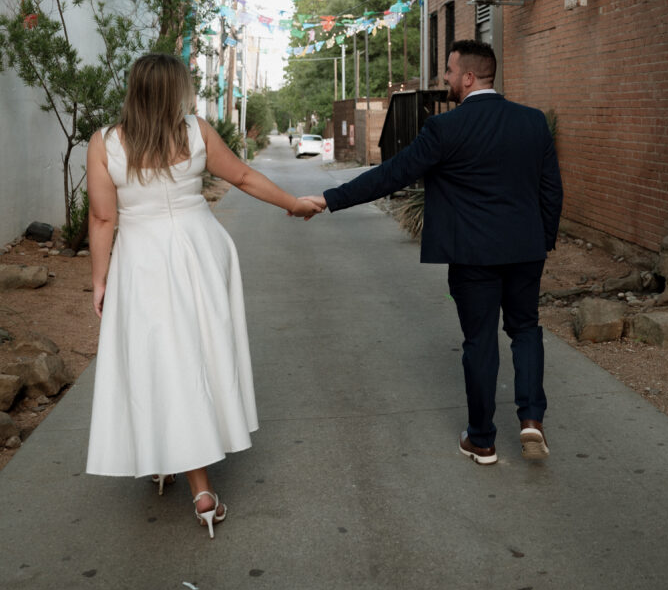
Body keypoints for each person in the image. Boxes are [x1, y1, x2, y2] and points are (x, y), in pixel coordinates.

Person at [86, 53, 321, 536]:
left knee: (160, 357)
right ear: (175, 90)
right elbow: (242, 176)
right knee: (198, 354)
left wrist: (101, 278)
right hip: (200, 250)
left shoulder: (106, 143)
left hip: (143, 260)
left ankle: (196, 482)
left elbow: (104, 218)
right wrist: (293, 203)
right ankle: (187, 474)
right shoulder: (194, 131)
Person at [305, 40, 562, 465]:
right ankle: (532, 418)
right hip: (525, 251)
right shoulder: (533, 123)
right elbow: (551, 190)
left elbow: (391, 174)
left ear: (467, 77)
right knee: (526, 330)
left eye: (448, 70)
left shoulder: (446, 129)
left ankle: (482, 440)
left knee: (480, 341)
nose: (443, 77)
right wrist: (542, 240)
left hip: (473, 256)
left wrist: (330, 199)